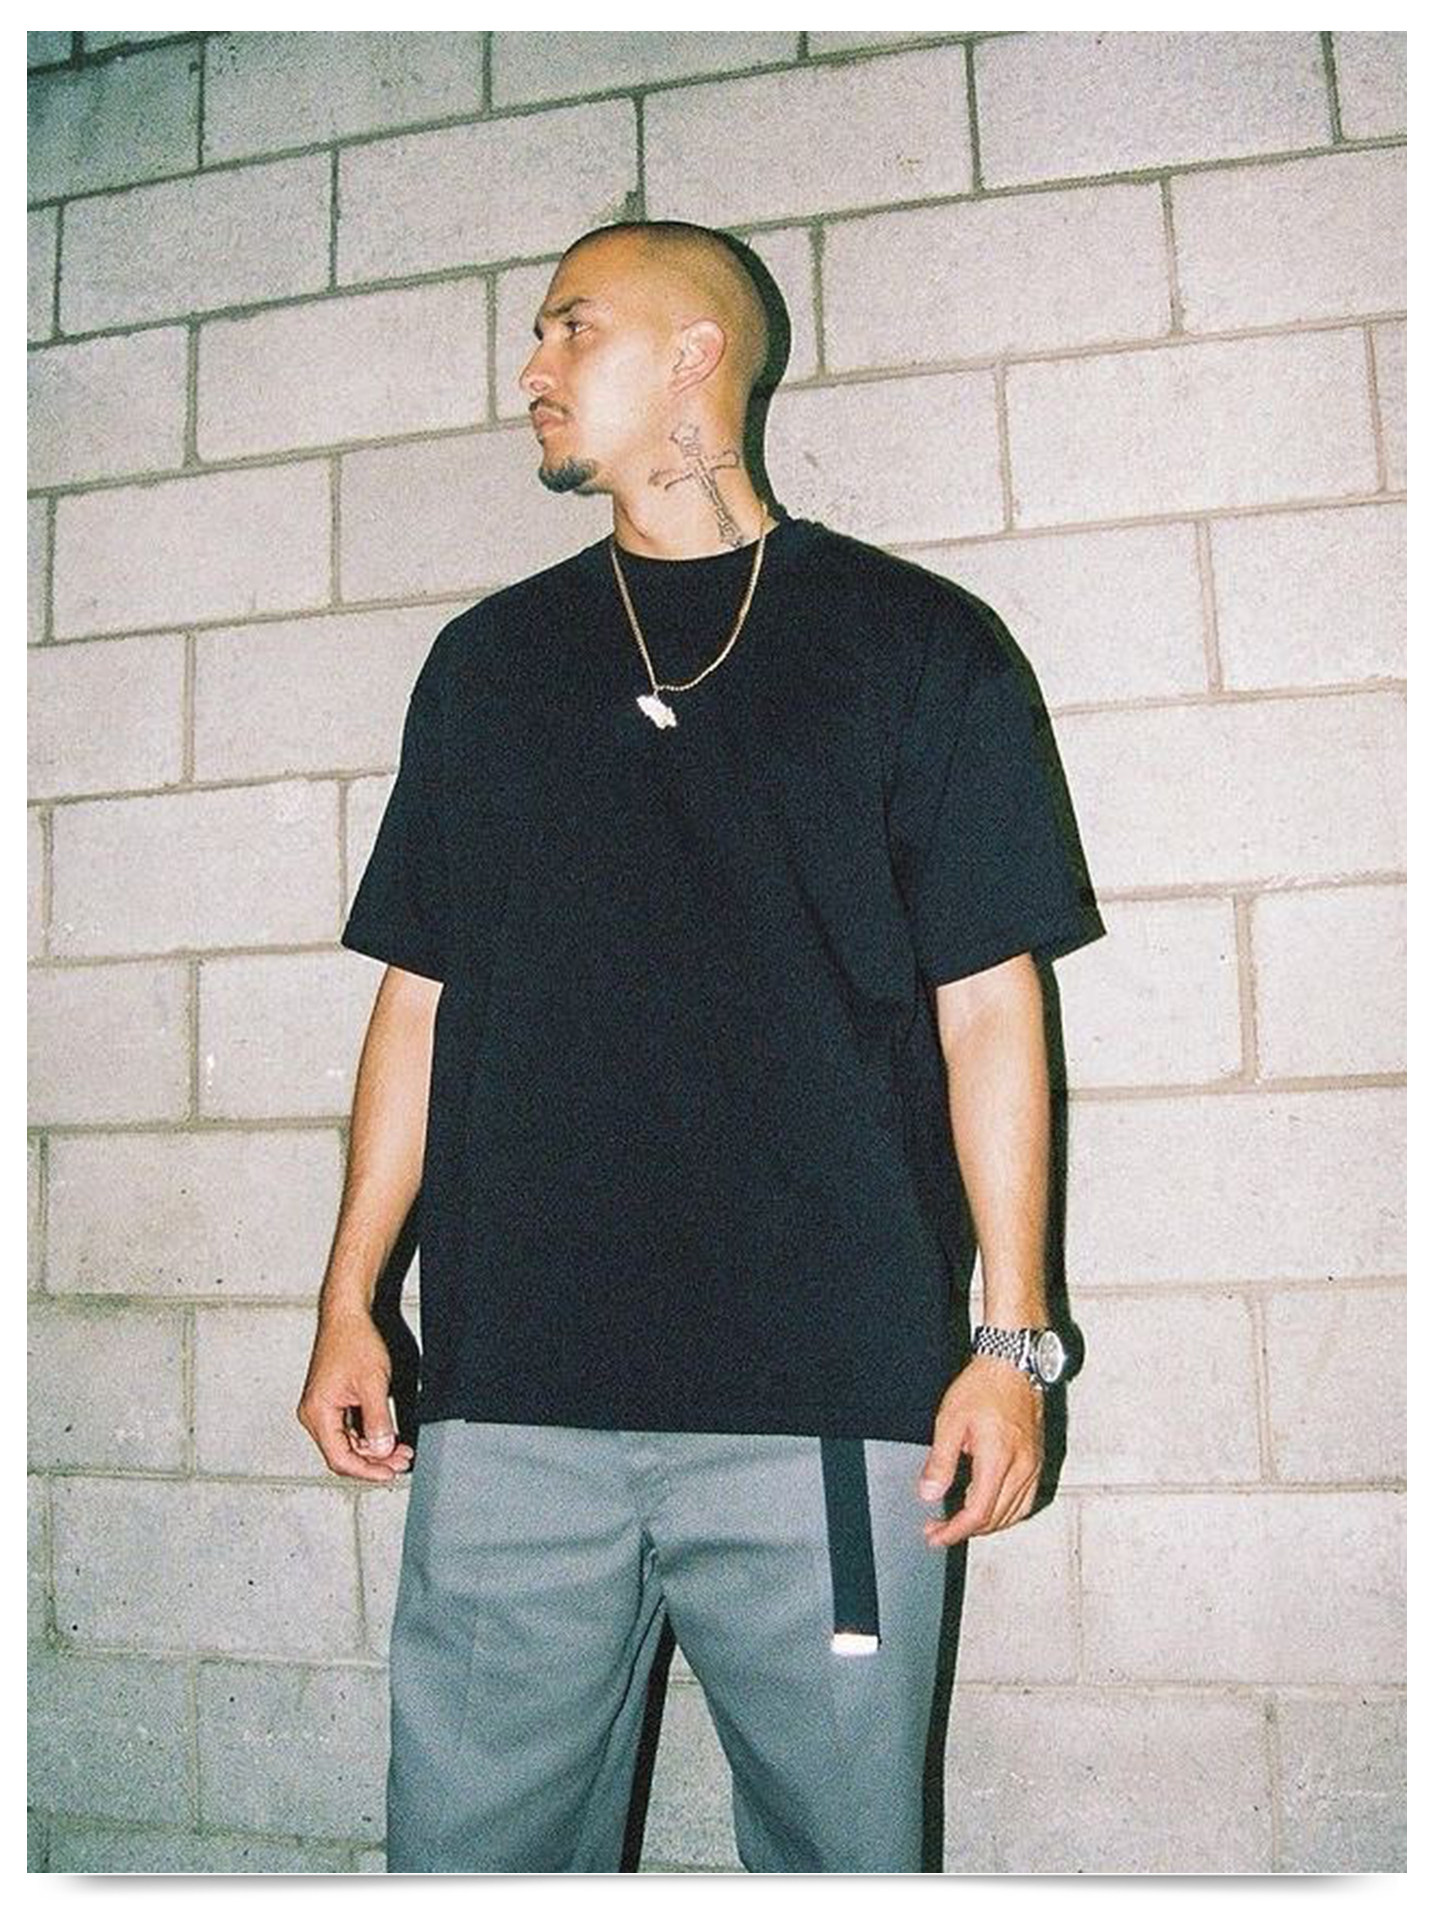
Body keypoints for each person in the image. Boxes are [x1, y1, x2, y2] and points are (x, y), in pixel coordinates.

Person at [297, 219, 1104, 1874]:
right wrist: (349, 1297)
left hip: (828, 1405)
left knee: (838, 1863)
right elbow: (418, 1000)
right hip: (514, 1397)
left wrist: (1012, 1344)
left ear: (694, 354)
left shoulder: (914, 643)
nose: (529, 369)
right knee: (464, 1863)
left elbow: (989, 1006)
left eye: (569, 328)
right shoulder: (486, 665)